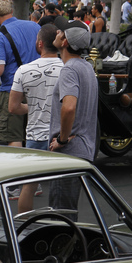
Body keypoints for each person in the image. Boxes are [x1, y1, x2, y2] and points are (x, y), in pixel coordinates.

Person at [10, 24, 64, 211]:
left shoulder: (24, 70)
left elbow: (13, 107)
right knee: (63, 186)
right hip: (62, 135)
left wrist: (33, 107)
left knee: (29, 186)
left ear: (40, 43)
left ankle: (25, 229)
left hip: (35, 135)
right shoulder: (68, 68)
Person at [0, 0, 40, 146]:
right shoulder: (34, 26)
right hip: (37, 86)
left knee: (14, 137)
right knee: (37, 135)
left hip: (12, 89)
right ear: (11, 10)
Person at [49, 17, 97, 160]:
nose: (57, 32)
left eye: (61, 31)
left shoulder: (69, 69)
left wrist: (61, 140)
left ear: (65, 42)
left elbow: (69, 107)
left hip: (69, 152)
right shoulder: (87, 66)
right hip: (85, 149)